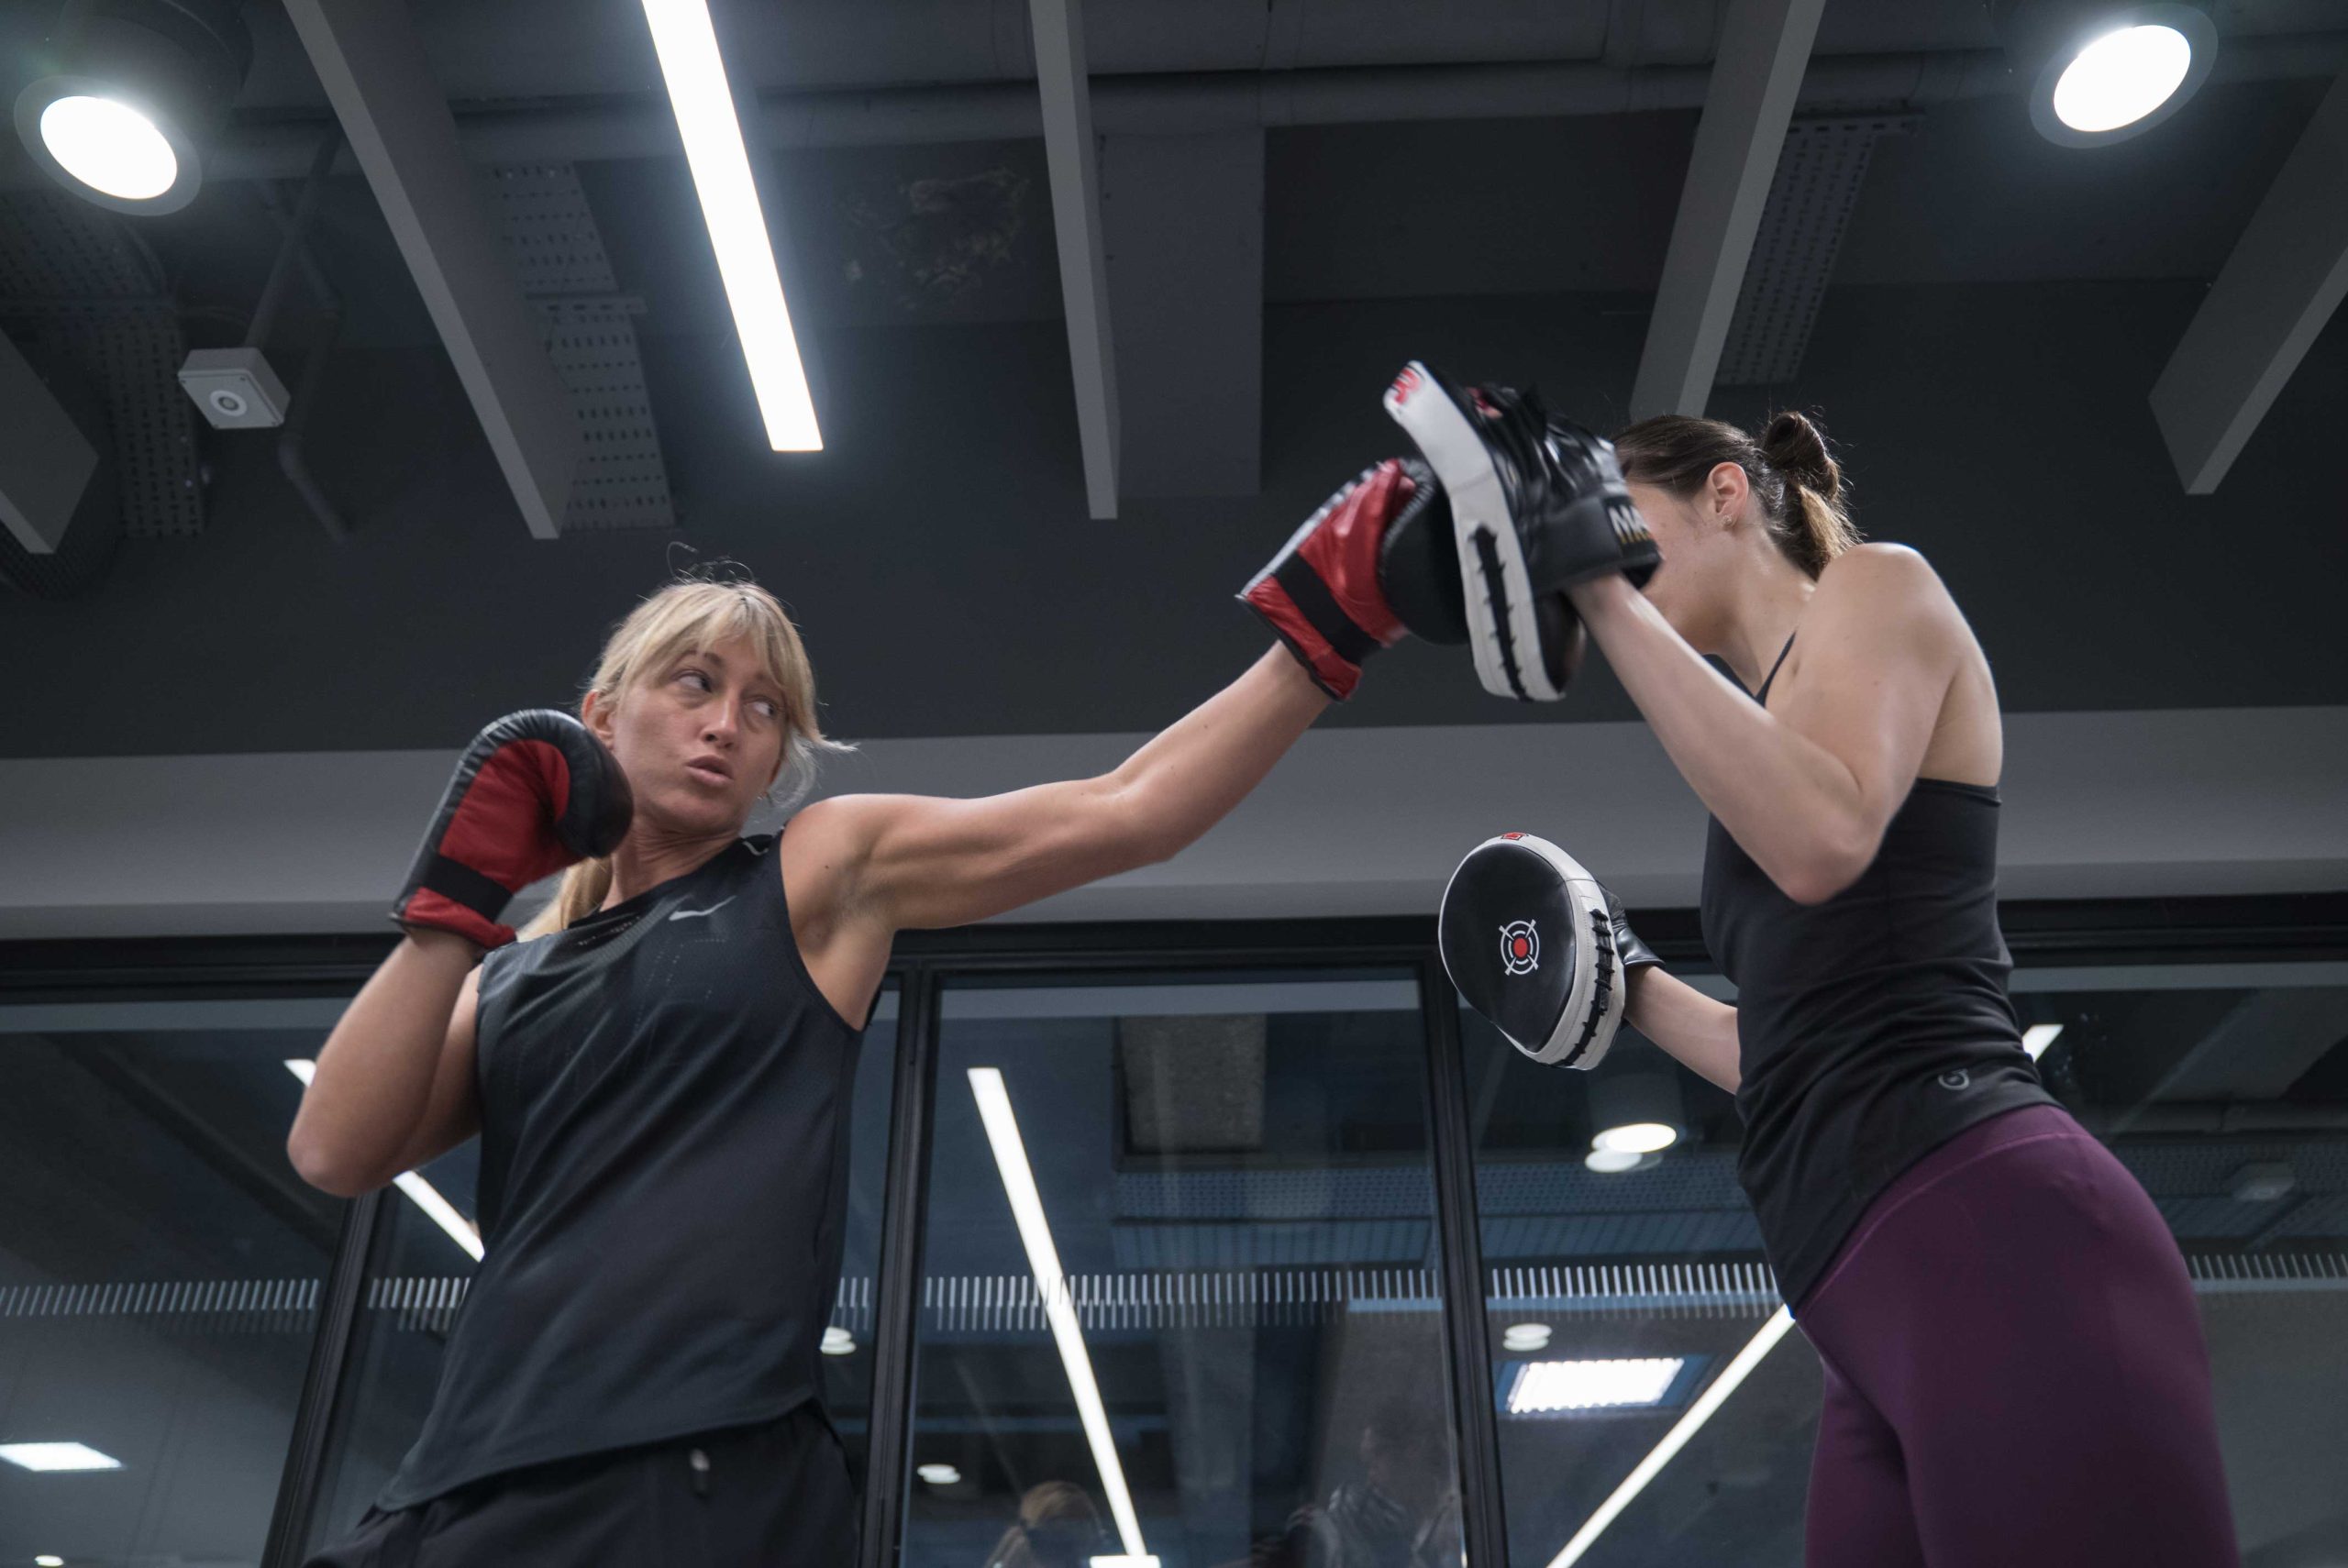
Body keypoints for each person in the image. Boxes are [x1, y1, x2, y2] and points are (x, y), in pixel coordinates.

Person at [284, 438, 1468, 1567]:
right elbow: (334, 1147)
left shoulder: (810, 875)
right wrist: (456, 906)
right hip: (459, 1480)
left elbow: (1132, 809)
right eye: (695, 683)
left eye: (763, 709)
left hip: (685, 1470)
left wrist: (1334, 619)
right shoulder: (512, 977)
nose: (727, 723)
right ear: (600, 715)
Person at [1427, 376, 2238, 1567]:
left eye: (1622, 519)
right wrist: (1623, 979)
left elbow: (1825, 837)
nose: (1608, 554)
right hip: (1858, 1292)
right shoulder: (1761, 755)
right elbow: (1790, 1048)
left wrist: (1592, 581)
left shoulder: (1877, 589)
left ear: (1726, 494)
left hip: (1989, 1227)